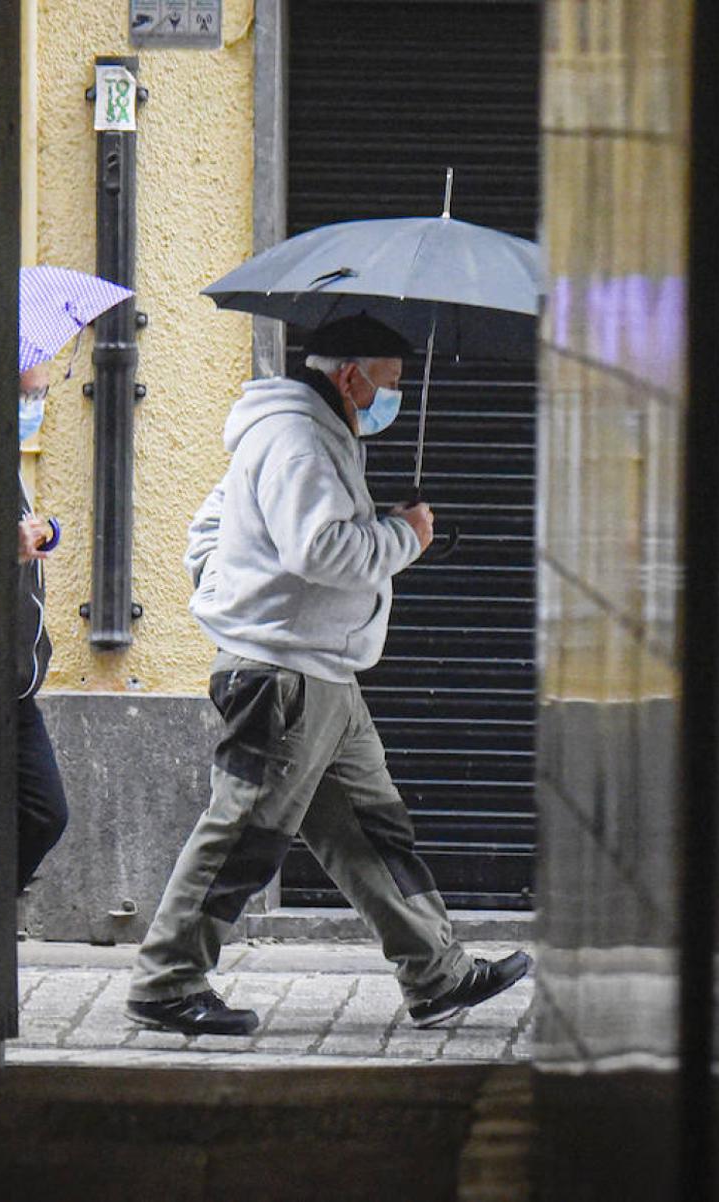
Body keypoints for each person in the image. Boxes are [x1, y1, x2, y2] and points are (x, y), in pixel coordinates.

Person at [125, 313, 531, 1036]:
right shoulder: (298, 438)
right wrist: (402, 536)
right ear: (351, 376)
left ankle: (436, 973)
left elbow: (218, 528)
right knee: (244, 831)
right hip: (285, 678)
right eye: (390, 384)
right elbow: (318, 549)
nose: (392, 398)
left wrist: (266, 579)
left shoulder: (316, 434)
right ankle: (166, 982)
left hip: (325, 675)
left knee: (374, 834)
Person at [15, 360, 68, 894]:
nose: (36, 406)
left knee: (45, 814)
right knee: (42, 811)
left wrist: (42, 532)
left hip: (17, 685)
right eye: (30, 394)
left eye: (42, 394)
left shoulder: (7, 464)